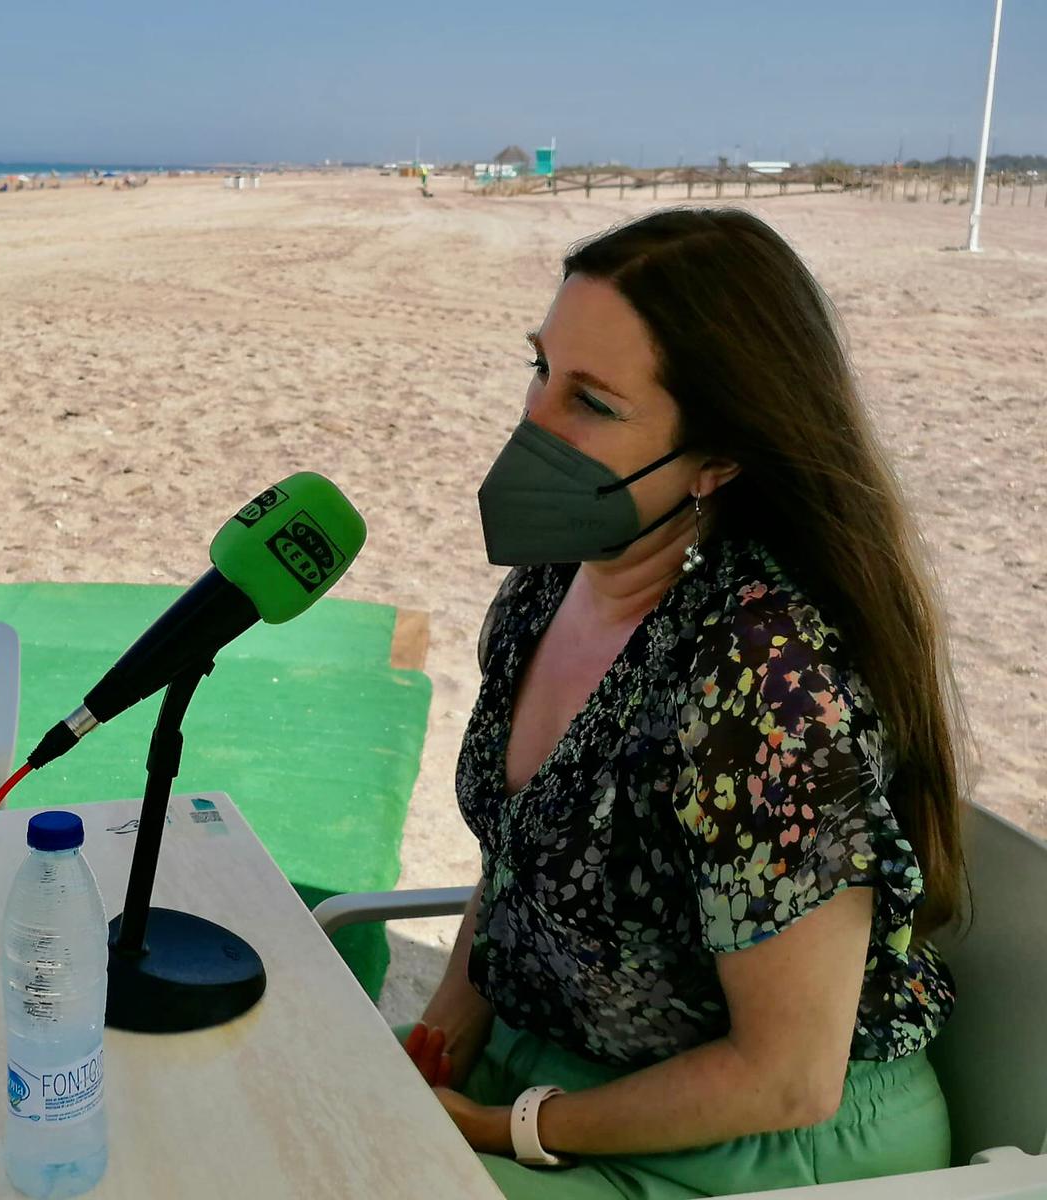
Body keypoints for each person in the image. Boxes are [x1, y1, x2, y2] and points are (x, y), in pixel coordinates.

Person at [398, 207, 965, 1198]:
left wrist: (502, 1125)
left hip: (753, 1149)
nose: (531, 423)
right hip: (561, 1068)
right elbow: (518, 858)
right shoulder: (547, 588)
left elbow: (784, 1079)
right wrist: (439, 1043)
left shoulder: (761, 692)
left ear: (718, 459)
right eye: (540, 370)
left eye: (593, 403)